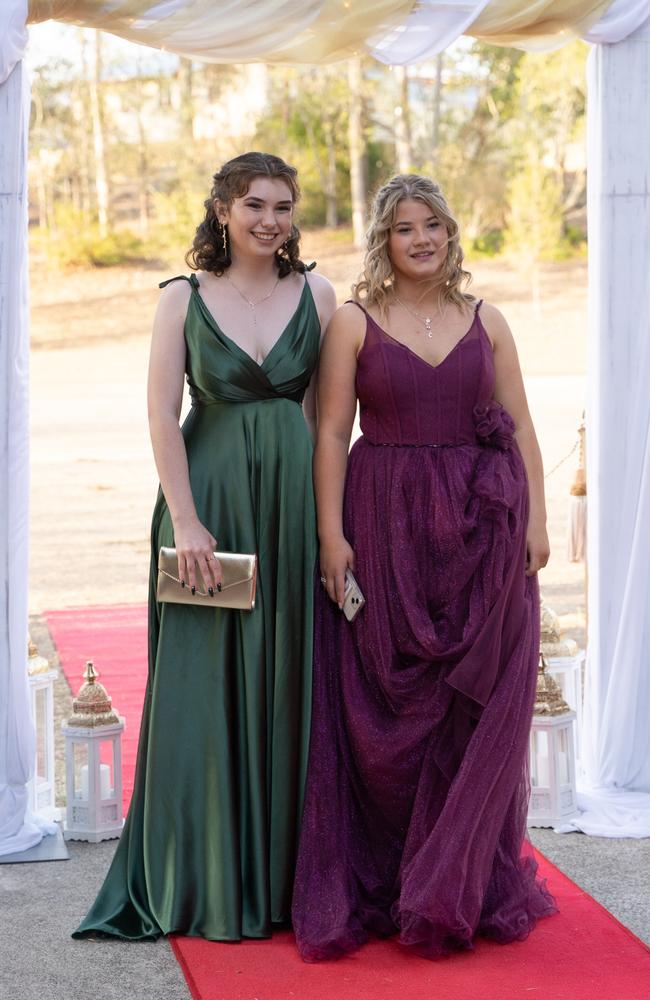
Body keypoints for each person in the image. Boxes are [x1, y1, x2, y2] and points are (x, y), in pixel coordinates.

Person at [292, 174, 557, 960]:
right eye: (405, 228)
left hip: (482, 532)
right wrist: (329, 536)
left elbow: (523, 426)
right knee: (385, 703)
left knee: (469, 710)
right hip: (386, 523)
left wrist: (537, 520)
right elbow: (332, 430)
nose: (422, 240)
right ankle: (391, 877)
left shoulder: (490, 321)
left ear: (451, 232)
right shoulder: (352, 322)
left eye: (434, 225)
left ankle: (461, 878)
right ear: (385, 237)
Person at [74, 152, 336, 941]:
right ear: (222, 209)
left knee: (291, 680)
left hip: (291, 505)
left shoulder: (319, 294)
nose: (270, 220)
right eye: (254, 204)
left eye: (283, 206)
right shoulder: (179, 299)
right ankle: (202, 876)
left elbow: (329, 424)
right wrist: (185, 519)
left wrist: (330, 528)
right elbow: (160, 414)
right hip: (208, 505)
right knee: (200, 690)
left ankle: (287, 879)